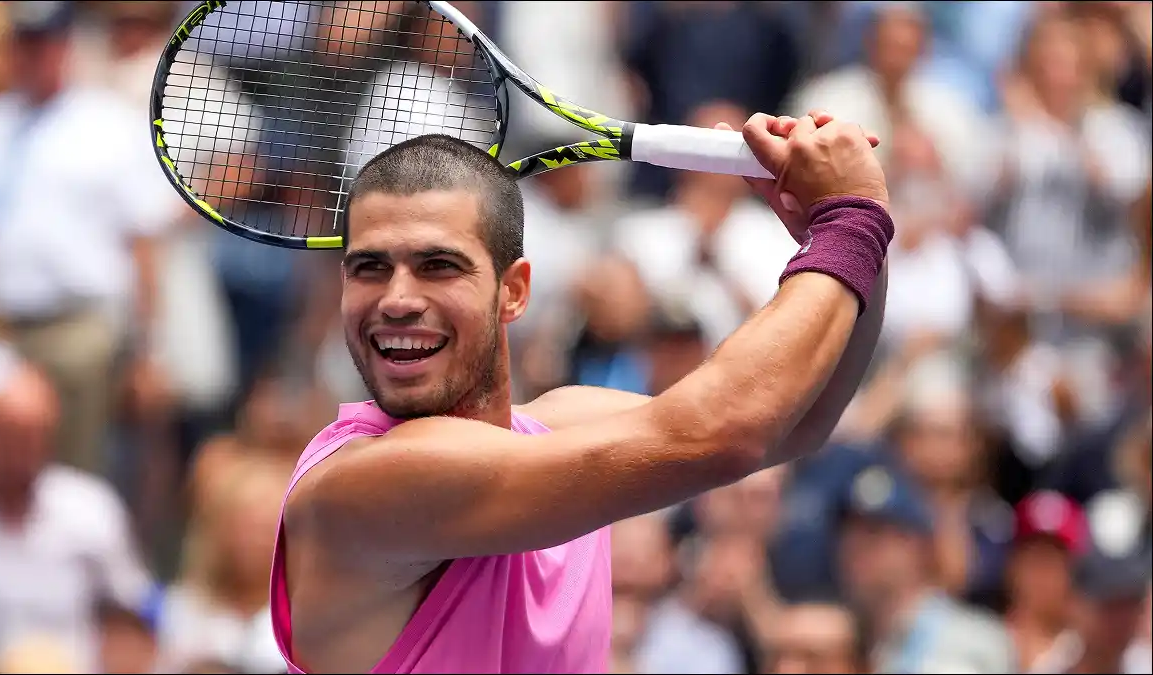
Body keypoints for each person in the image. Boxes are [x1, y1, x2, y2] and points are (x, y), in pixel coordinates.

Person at [269, 111, 893, 673]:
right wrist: (849, 221)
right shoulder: (366, 484)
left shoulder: (563, 423)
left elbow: (798, 419)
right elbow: (722, 433)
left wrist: (853, 232)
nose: (398, 299)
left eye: (438, 266)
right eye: (369, 267)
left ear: (513, 292)